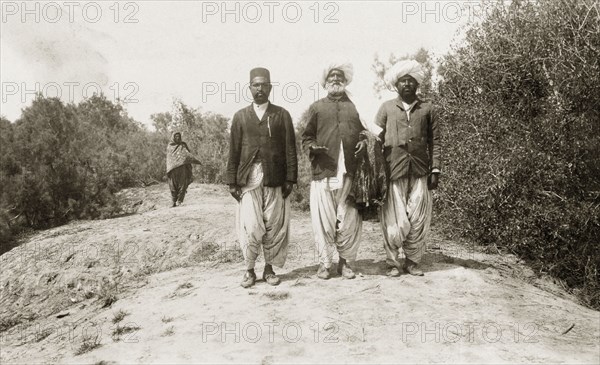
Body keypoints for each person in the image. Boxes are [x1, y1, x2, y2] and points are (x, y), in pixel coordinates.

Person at [226, 67, 298, 288]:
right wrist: (231, 181)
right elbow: (234, 150)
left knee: (273, 225)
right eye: (255, 84)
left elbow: (290, 149)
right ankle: (249, 270)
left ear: (270, 87)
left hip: (275, 178)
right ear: (250, 87)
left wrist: (290, 179)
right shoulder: (240, 116)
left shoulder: (281, 114)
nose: (260, 88)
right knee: (250, 224)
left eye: (264, 84)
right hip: (248, 179)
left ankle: (269, 269)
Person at [374, 60, 441, 277]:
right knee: (395, 219)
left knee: (419, 217)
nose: (407, 85)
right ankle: (393, 263)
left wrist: (435, 170)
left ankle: (412, 261)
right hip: (394, 170)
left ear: (417, 84)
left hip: (421, 170)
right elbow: (375, 139)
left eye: (411, 81)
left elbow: (436, 142)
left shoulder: (428, 109)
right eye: (403, 81)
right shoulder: (386, 108)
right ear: (396, 85)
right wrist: (378, 171)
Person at [302, 62, 368, 280]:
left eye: (340, 76)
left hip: (350, 171)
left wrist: (364, 142)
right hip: (324, 170)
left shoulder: (355, 106)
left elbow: (365, 132)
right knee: (322, 220)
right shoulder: (317, 107)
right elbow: (306, 137)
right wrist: (312, 147)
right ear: (325, 82)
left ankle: (346, 263)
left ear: (345, 80)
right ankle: (324, 264)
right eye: (332, 77)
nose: (336, 79)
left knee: (349, 219)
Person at [166, 132, 200, 207]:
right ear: (173, 137)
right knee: (172, 186)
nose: (178, 138)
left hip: (182, 169)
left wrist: (196, 160)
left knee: (182, 185)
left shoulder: (183, 145)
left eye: (179, 136)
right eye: (176, 136)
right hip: (172, 170)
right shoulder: (169, 146)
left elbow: (188, 155)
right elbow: (169, 159)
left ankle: (179, 201)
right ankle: (173, 202)